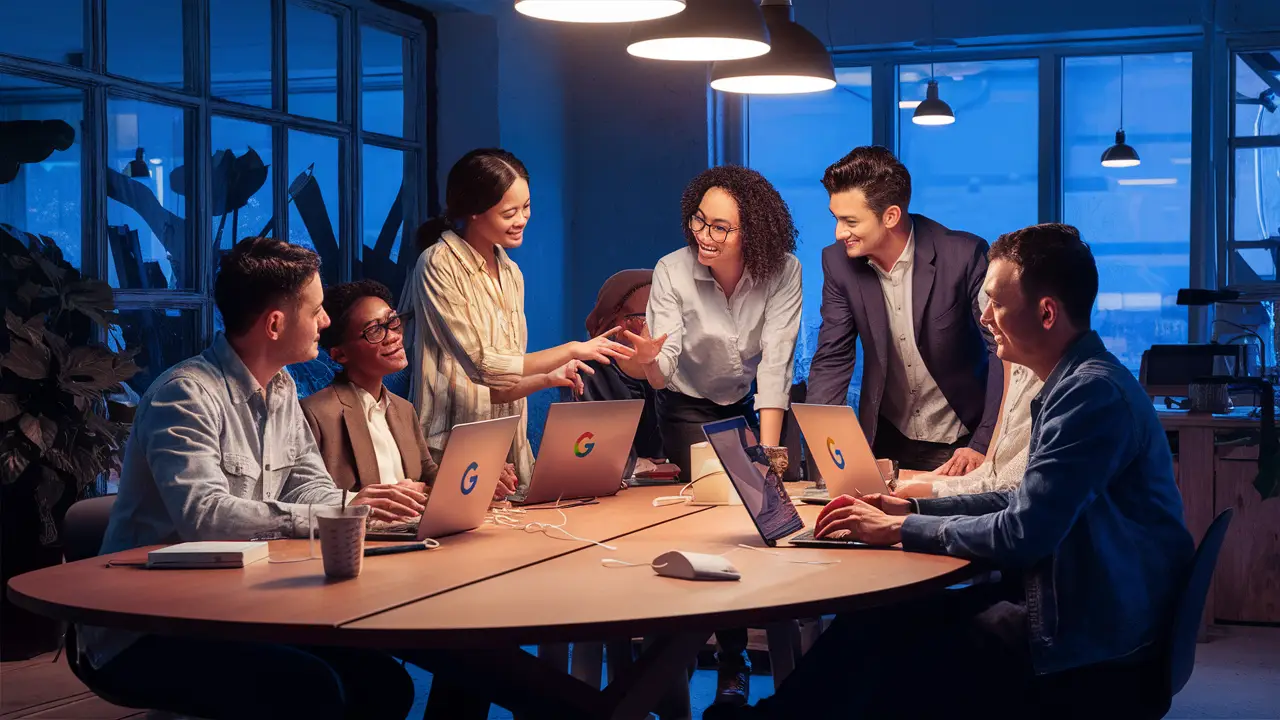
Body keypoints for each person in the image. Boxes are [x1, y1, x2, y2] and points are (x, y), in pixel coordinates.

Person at [715, 223, 1196, 720]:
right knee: (876, 625)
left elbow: (1021, 534)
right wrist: (913, 507)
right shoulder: (1073, 382)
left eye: (996, 303)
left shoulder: (1088, 397)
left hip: (1087, 638)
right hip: (1077, 605)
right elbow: (1021, 500)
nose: (984, 318)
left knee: (889, 655)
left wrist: (901, 528)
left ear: (1047, 313)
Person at [79, 237, 419, 720]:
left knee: (384, 684)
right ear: (275, 324)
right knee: (311, 689)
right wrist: (334, 512)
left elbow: (308, 484)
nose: (326, 321)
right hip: (151, 629)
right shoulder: (185, 396)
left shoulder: (282, 388)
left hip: (237, 608)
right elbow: (206, 517)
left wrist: (364, 504)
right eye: (318, 310)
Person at [630, 164, 802, 707]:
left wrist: (767, 454)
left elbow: (776, 362)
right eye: (699, 220)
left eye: (721, 227)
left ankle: (737, 662)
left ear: (755, 231)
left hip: (750, 405)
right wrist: (646, 365)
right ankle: (685, 657)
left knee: (756, 513)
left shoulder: (784, 270)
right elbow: (665, 364)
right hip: (683, 404)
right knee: (707, 520)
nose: (704, 234)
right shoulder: (672, 270)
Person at [401, 148, 634, 490]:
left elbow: (499, 386)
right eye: (510, 212)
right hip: (451, 447)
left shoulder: (511, 272)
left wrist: (550, 377)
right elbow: (484, 366)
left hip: (508, 448)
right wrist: (572, 349)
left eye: (526, 207)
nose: (522, 219)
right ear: (474, 212)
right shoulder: (439, 263)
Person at [806, 146, 1002, 474]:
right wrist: (825, 459)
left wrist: (984, 444)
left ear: (891, 216)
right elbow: (832, 360)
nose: (839, 233)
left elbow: (1000, 350)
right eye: (836, 218)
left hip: (963, 442)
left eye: (850, 221)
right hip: (888, 441)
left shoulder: (964, 256)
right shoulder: (838, 262)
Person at [302, 280, 518, 504]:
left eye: (392, 321)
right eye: (375, 330)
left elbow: (429, 474)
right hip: (361, 535)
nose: (394, 336)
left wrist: (479, 475)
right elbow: (311, 499)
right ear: (340, 355)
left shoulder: (403, 409)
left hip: (417, 531)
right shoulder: (316, 413)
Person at [563, 269, 667, 478]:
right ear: (617, 324)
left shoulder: (674, 370)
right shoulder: (591, 373)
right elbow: (595, 454)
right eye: (645, 318)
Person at [893, 361, 1043, 499]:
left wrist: (933, 490)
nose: (991, 330)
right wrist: (925, 483)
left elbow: (1008, 492)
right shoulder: (1011, 360)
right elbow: (990, 469)